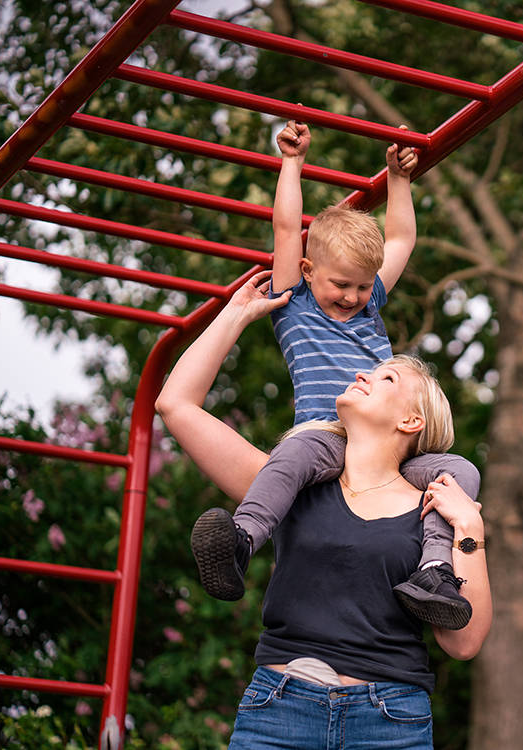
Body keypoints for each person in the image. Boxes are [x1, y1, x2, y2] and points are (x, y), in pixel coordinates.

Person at [154, 273, 491, 749]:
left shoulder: (434, 508)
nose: (361, 373)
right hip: (279, 712)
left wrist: (470, 528)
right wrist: (238, 313)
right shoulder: (288, 484)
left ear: (411, 421)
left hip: (390, 722)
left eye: (384, 377)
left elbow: (463, 643)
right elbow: (175, 404)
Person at [189, 121, 480, 630]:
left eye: (363, 287)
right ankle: (243, 539)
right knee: (290, 456)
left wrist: (398, 181)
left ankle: (435, 570)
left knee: (458, 471)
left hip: (389, 446)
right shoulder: (295, 304)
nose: (352, 297)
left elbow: (402, 238)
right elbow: (285, 228)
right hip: (326, 434)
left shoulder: (371, 307)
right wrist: (292, 163)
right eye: (340, 284)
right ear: (306, 270)